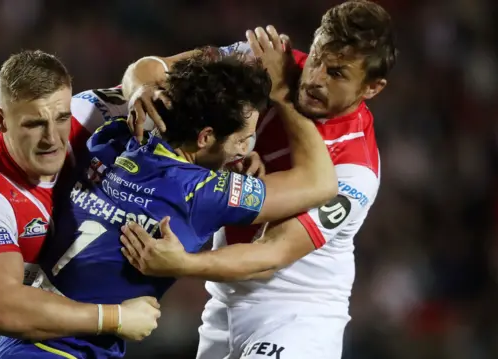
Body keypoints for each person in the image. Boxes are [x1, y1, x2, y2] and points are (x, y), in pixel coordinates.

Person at [0, 48, 336, 359]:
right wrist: (284, 95)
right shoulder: (204, 193)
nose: (247, 148)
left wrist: (227, 154)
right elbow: (321, 183)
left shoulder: (115, 138)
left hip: (21, 341)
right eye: (244, 138)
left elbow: (145, 72)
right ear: (205, 137)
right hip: (63, 348)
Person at [119, 1, 397, 358]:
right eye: (316, 59)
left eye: (337, 74)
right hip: (223, 305)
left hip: (297, 312)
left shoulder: (355, 169)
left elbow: (273, 253)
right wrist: (143, 89)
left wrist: (182, 264)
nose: (315, 79)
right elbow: (150, 68)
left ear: (372, 88)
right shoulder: (266, 61)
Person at [0, 50, 160, 359]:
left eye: (61, 118)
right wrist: (115, 318)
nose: (52, 139)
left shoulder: (86, 114)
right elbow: (2, 310)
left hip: (59, 344)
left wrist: (240, 152)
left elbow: (156, 79)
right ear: (1, 120)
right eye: (34, 124)